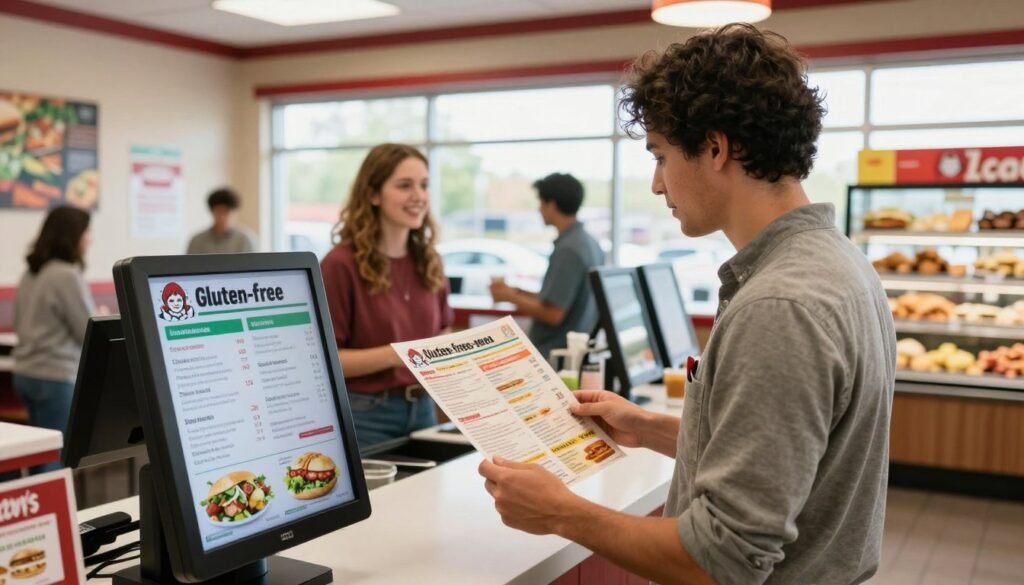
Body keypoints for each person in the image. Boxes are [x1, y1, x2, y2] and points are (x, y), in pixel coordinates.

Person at [479, 24, 895, 585]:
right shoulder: (837, 263)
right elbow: (790, 457)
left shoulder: (779, 305)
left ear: (716, 148)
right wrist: (648, 427)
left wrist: (560, 510)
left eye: (661, 155)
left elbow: (719, 558)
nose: (656, 184)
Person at [320, 144, 452, 450]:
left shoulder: (430, 260)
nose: (419, 196)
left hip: (423, 409)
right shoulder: (340, 265)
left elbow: (441, 333)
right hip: (365, 415)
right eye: (405, 186)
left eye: (424, 185)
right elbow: (326, 360)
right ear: (373, 194)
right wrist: (400, 354)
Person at [13, 205, 97, 472]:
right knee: (54, 461)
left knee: (39, 454)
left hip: (26, 374)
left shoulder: (30, 273)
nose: (90, 237)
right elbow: (87, 330)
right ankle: (52, 512)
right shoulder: (66, 275)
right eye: (86, 231)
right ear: (73, 235)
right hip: (56, 376)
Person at [489, 173, 605, 359]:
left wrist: (510, 296)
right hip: (576, 351)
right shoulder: (589, 243)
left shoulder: (568, 250)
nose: (539, 210)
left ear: (551, 204)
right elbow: (559, 298)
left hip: (555, 356)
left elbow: (553, 313)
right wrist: (518, 291)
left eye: (541, 203)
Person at [186, 188, 257, 254]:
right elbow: (189, 266)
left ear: (235, 213)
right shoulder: (197, 241)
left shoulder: (245, 240)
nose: (222, 217)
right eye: (218, 212)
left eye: (226, 212)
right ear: (212, 211)